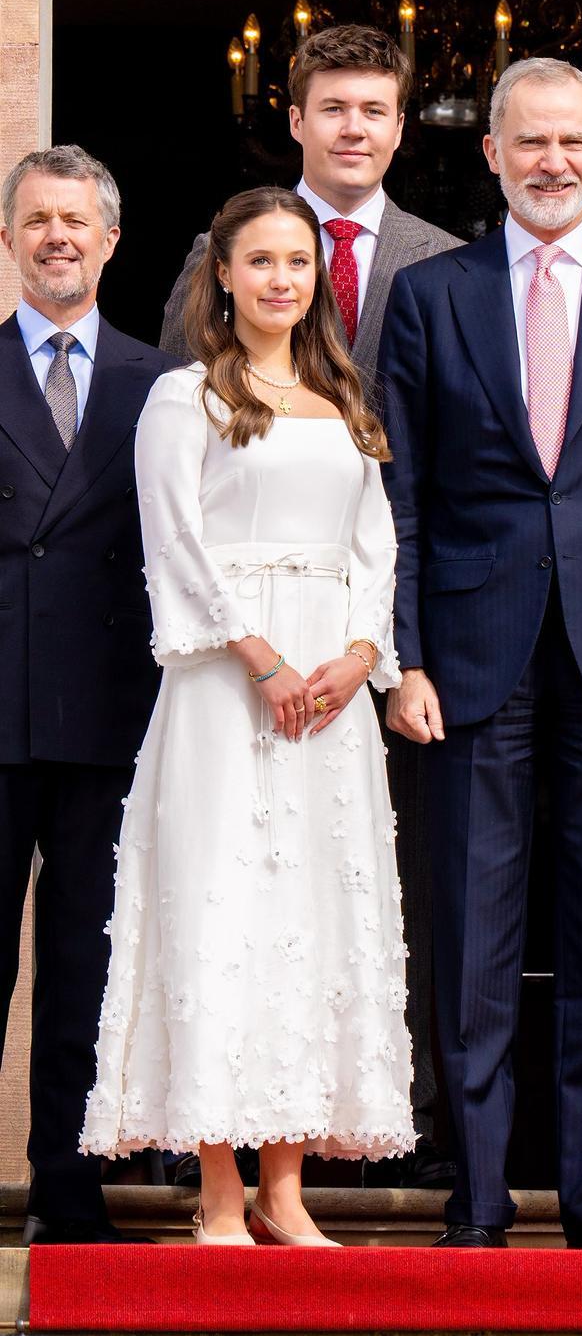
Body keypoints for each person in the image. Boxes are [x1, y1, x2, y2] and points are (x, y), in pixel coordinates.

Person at [379, 58, 582, 1249]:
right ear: (492, 153)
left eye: (573, 140)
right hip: (468, 657)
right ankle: (476, 1202)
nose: (552, 161)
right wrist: (405, 654)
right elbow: (399, 493)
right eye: (530, 141)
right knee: (472, 938)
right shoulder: (432, 293)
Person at [80, 187, 414, 1246]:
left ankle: (285, 1187)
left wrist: (359, 654)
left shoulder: (343, 396)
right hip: (227, 687)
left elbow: (376, 545)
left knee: (311, 919)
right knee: (221, 911)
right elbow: (172, 539)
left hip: (332, 701)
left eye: (298, 262)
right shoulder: (185, 396)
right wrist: (261, 658)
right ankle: (220, 1191)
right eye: (261, 260)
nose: (281, 278)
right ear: (221, 274)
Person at [161, 25, 462, 1186]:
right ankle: (212, 1145)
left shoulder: (449, 260)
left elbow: (435, 476)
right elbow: (178, 462)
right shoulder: (217, 251)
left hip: (373, 642)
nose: (352, 128)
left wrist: (380, 645)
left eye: (374, 109)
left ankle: (373, 1133)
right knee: (229, 883)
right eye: (332, 106)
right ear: (293, 118)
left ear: (401, 125)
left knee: (367, 888)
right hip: (237, 650)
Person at [0, 144, 173, 1244]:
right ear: (9, 239)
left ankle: (66, 1196)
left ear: (111, 239)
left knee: (85, 966)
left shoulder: (164, 383)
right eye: (36, 220)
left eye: (76, 220)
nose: (56, 237)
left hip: (112, 718)